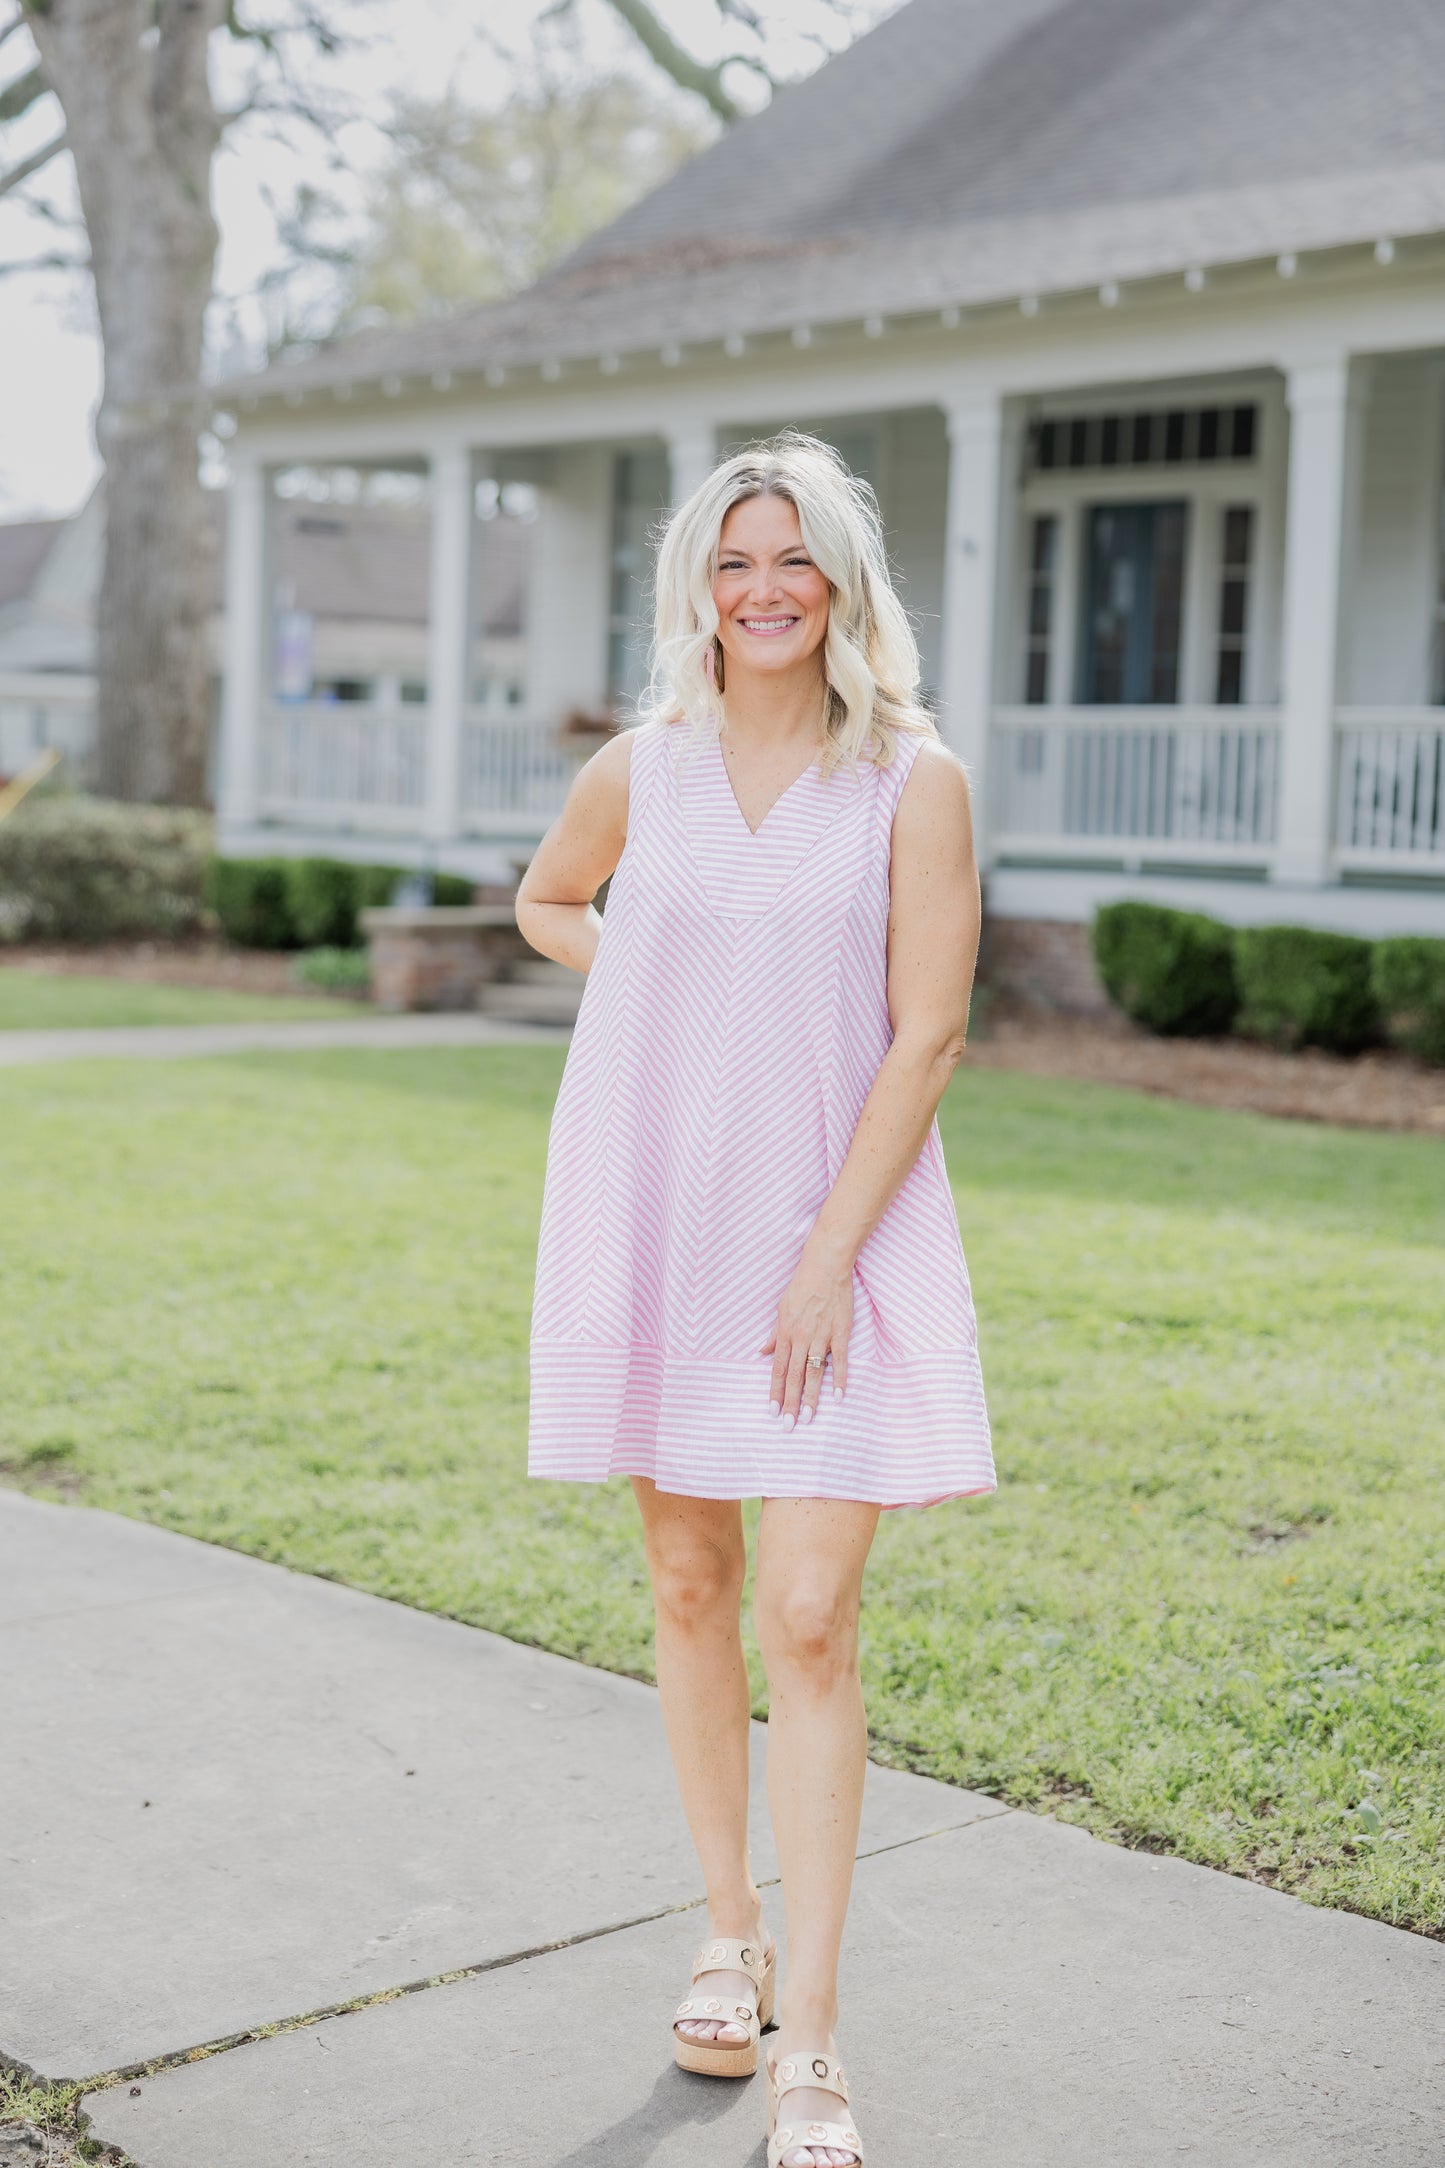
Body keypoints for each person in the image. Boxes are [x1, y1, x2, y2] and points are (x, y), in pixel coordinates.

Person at [516, 432, 994, 2168]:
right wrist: (642, 960)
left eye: (794, 558)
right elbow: (547, 902)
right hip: (663, 1215)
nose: (765, 586)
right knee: (688, 1574)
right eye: (733, 561)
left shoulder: (911, 781)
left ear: (843, 581)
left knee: (805, 1615)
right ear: (695, 590)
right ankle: (729, 1928)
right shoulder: (647, 768)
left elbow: (927, 1035)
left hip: (834, 1239)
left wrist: (820, 1259)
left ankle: (813, 2044)